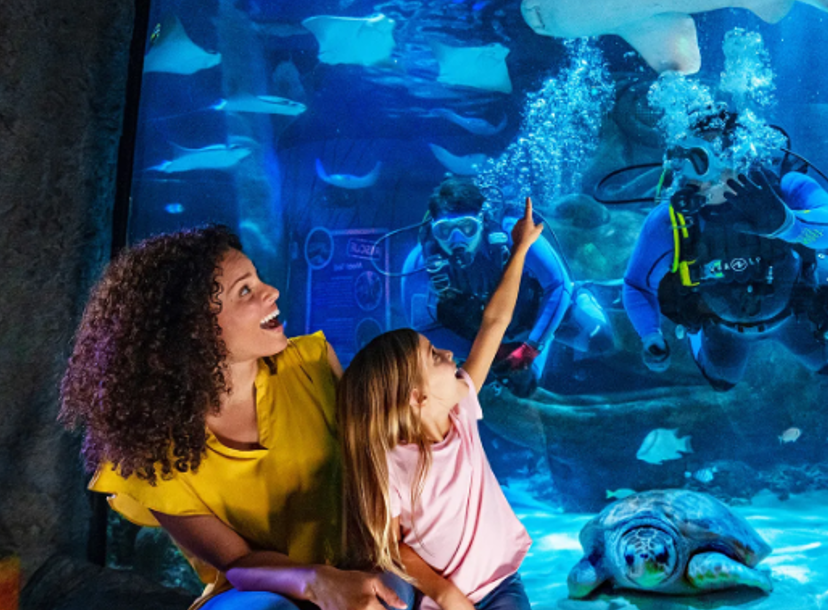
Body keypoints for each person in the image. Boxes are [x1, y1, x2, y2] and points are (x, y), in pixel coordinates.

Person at [59, 225, 410, 610]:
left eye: (258, 279)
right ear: (193, 329)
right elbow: (237, 562)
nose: (271, 292)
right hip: (257, 589)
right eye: (245, 290)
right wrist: (316, 583)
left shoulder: (314, 363)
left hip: (359, 566)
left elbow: (380, 479)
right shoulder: (149, 450)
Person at [338, 199, 544, 610]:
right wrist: (445, 593)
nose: (451, 355)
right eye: (435, 356)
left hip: (502, 584)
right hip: (441, 601)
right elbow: (388, 545)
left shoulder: (460, 408)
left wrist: (520, 251)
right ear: (416, 398)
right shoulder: (391, 461)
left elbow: (494, 322)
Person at [622, 110, 828, 390]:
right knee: (721, 381)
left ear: (737, 155)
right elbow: (636, 284)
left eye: (711, 155)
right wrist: (650, 335)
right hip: (723, 327)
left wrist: (788, 223)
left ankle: (827, 272)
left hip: (793, 312)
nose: (696, 173)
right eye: (688, 159)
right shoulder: (671, 220)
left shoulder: (784, 187)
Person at [399, 177, 612, 397]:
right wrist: (493, 354)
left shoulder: (514, 231)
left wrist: (530, 348)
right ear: (433, 230)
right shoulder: (419, 264)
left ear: (482, 221)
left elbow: (558, 285)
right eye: (445, 230)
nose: (456, 239)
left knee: (601, 340)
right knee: (523, 391)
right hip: (491, 334)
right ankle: (529, 352)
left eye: (467, 227)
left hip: (537, 310)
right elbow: (424, 329)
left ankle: (583, 295)